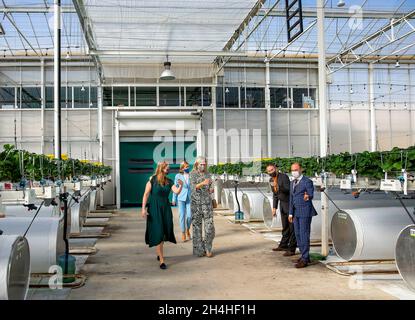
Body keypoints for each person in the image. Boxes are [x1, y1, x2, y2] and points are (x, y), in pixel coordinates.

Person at [141, 161, 183, 270]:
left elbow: (176, 191)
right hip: (154, 209)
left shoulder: (169, 181)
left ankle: (159, 253)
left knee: (164, 231)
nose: (168, 170)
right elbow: (145, 194)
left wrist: (181, 186)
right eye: (167, 168)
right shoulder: (152, 180)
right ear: (161, 168)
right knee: (159, 232)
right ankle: (162, 261)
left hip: (165, 209)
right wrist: (143, 209)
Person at [288, 162, 317, 268]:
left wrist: (307, 196)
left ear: (301, 170)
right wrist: (290, 213)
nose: (294, 172)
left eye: (295, 169)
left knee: (304, 234)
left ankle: (304, 259)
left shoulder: (307, 181)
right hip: (295, 213)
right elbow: (291, 198)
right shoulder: (292, 182)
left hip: (305, 211)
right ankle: (304, 256)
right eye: (292, 170)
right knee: (298, 235)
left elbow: (311, 194)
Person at [266, 164, 297, 256]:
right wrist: (274, 207)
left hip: (289, 204)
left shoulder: (284, 177)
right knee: (285, 226)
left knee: (292, 227)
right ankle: (283, 245)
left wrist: (279, 187)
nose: (271, 172)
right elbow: (275, 195)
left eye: (272, 170)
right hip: (282, 205)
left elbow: (289, 190)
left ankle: (292, 248)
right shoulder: (271, 180)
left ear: (276, 169)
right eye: (269, 171)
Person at [189, 156, 215, 258]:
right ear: (196, 164)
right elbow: (193, 187)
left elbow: (211, 185)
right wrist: (203, 183)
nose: (203, 166)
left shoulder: (208, 174)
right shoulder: (192, 174)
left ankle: (207, 248)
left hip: (207, 204)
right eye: (201, 164)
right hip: (196, 204)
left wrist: (211, 189)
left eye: (204, 164)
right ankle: (199, 250)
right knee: (197, 228)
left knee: (210, 227)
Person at [172, 161, 192, 242]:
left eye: (188, 166)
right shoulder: (178, 176)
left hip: (189, 198)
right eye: (186, 166)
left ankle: (187, 229)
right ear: (182, 168)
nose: (188, 168)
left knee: (190, 216)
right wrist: (174, 198)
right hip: (180, 198)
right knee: (182, 216)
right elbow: (175, 187)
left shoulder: (191, 175)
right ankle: (183, 232)